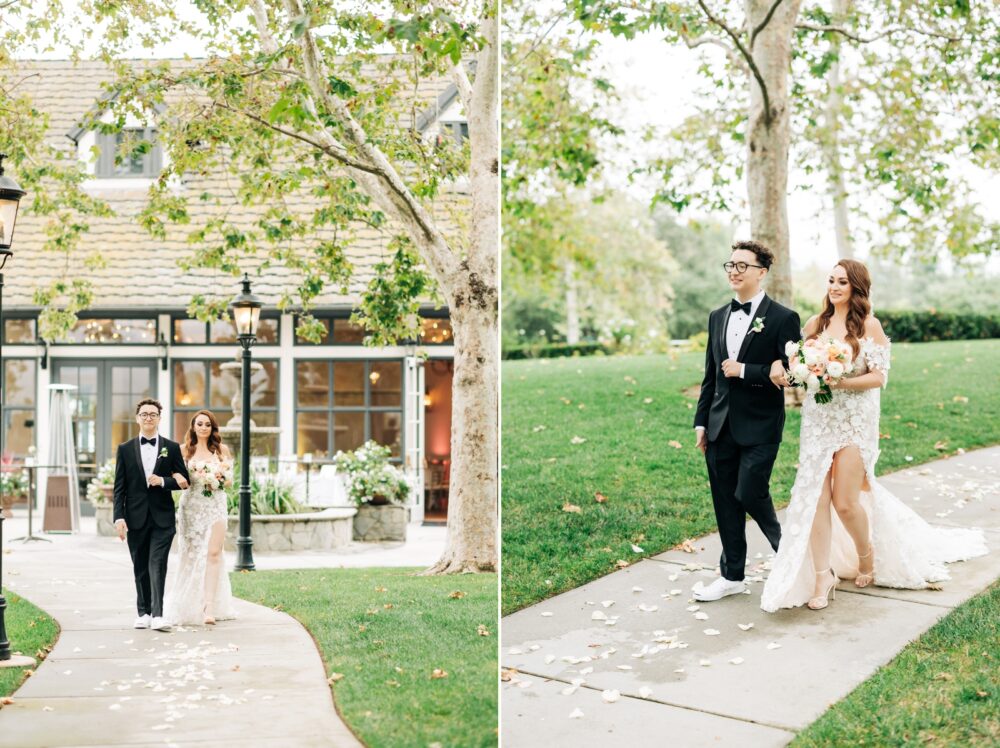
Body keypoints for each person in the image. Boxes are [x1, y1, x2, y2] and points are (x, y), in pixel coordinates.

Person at [761, 260, 988, 611]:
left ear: (856, 287)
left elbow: (879, 377)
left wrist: (841, 381)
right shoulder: (814, 324)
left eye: (842, 282)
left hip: (855, 421)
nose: (834, 287)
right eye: (831, 280)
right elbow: (799, 371)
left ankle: (866, 554)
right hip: (819, 420)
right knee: (815, 500)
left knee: (845, 502)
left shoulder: (870, 326)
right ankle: (823, 575)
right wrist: (788, 372)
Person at [692, 240, 801, 602]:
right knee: (725, 500)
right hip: (720, 425)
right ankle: (732, 576)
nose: (734, 271)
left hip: (761, 426)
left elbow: (792, 372)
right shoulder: (717, 316)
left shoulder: (784, 318)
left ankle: (788, 556)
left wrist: (746, 371)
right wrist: (701, 422)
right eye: (730, 264)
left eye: (742, 265)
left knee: (750, 491)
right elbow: (711, 375)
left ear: (761, 272)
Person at [113, 398, 190, 632]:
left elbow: (184, 481)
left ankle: (158, 615)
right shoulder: (125, 449)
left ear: (159, 418)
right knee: (140, 567)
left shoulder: (172, 447)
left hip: (162, 519)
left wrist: (163, 481)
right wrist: (119, 517)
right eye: (144, 414)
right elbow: (119, 487)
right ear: (138, 418)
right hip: (135, 518)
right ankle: (143, 613)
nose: (148, 418)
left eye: (153, 414)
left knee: (157, 564)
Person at [163, 409, 236, 626]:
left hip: (216, 507)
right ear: (193, 426)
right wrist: (177, 475)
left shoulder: (222, 450)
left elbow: (229, 480)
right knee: (191, 555)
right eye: (200, 424)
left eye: (208, 425)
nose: (203, 428)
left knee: (214, 553)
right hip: (192, 508)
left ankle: (209, 607)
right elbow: (172, 475)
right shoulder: (183, 450)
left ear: (213, 428)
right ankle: (187, 602)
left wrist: (219, 479)